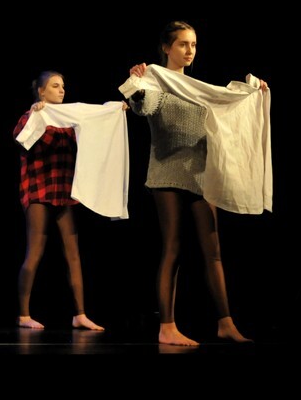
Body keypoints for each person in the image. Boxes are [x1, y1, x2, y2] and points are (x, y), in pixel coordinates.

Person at [125, 20, 268, 346]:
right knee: (173, 247)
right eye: (183, 44)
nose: (190, 50)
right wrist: (138, 86)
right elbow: (144, 106)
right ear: (166, 47)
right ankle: (167, 327)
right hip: (167, 173)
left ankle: (225, 323)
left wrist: (252, 96)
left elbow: (224, 112)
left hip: (201, 175)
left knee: (213, 251)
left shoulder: (197, 88)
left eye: (193, 44)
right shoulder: (157, 81)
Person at [13, 71, 106, 331]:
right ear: (41, 91)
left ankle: (80, 314)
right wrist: (36, 116)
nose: (61, 90)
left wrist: (112, 113)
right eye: (55, 86)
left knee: (72, 254)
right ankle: (23, 315)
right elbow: (20, 138)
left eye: (63, 86)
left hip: (64, 191)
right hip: (38, 190)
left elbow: (93, 130)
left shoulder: (69, 120)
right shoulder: (33, 115)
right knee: (35, 251)